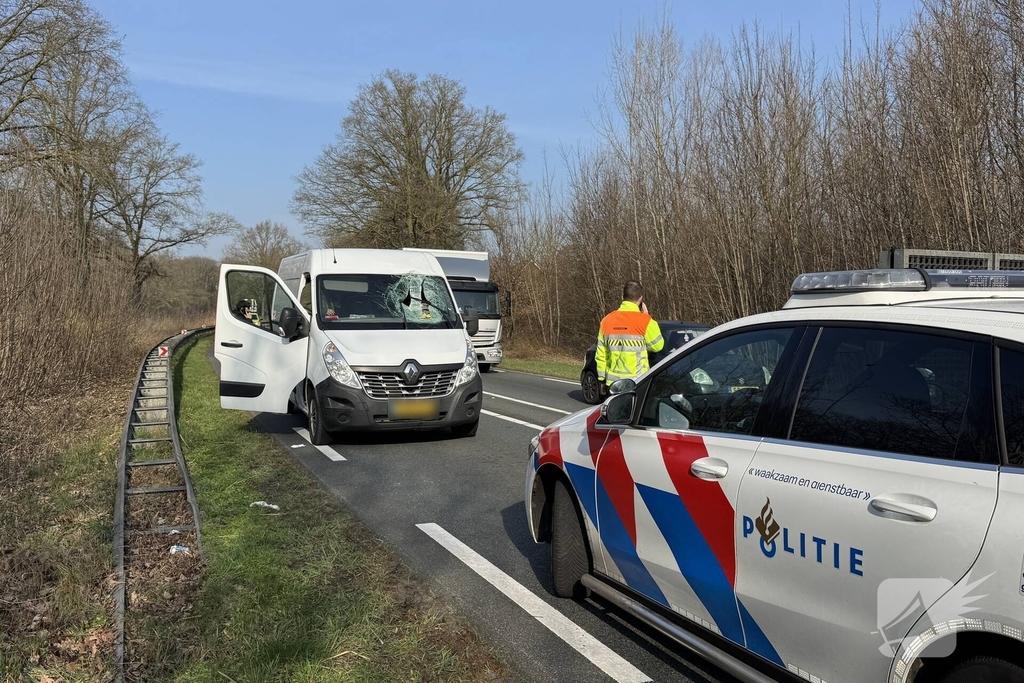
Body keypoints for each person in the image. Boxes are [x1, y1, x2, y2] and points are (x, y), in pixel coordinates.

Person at [595, 280, 664, 394]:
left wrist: (601, 380)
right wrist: (647, 317)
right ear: (640, 299)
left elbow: (601, 355)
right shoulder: (645, 321)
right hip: (637, 382)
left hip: (612, 384)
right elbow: (658, 346)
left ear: (623, 296)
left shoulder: (606, 321)